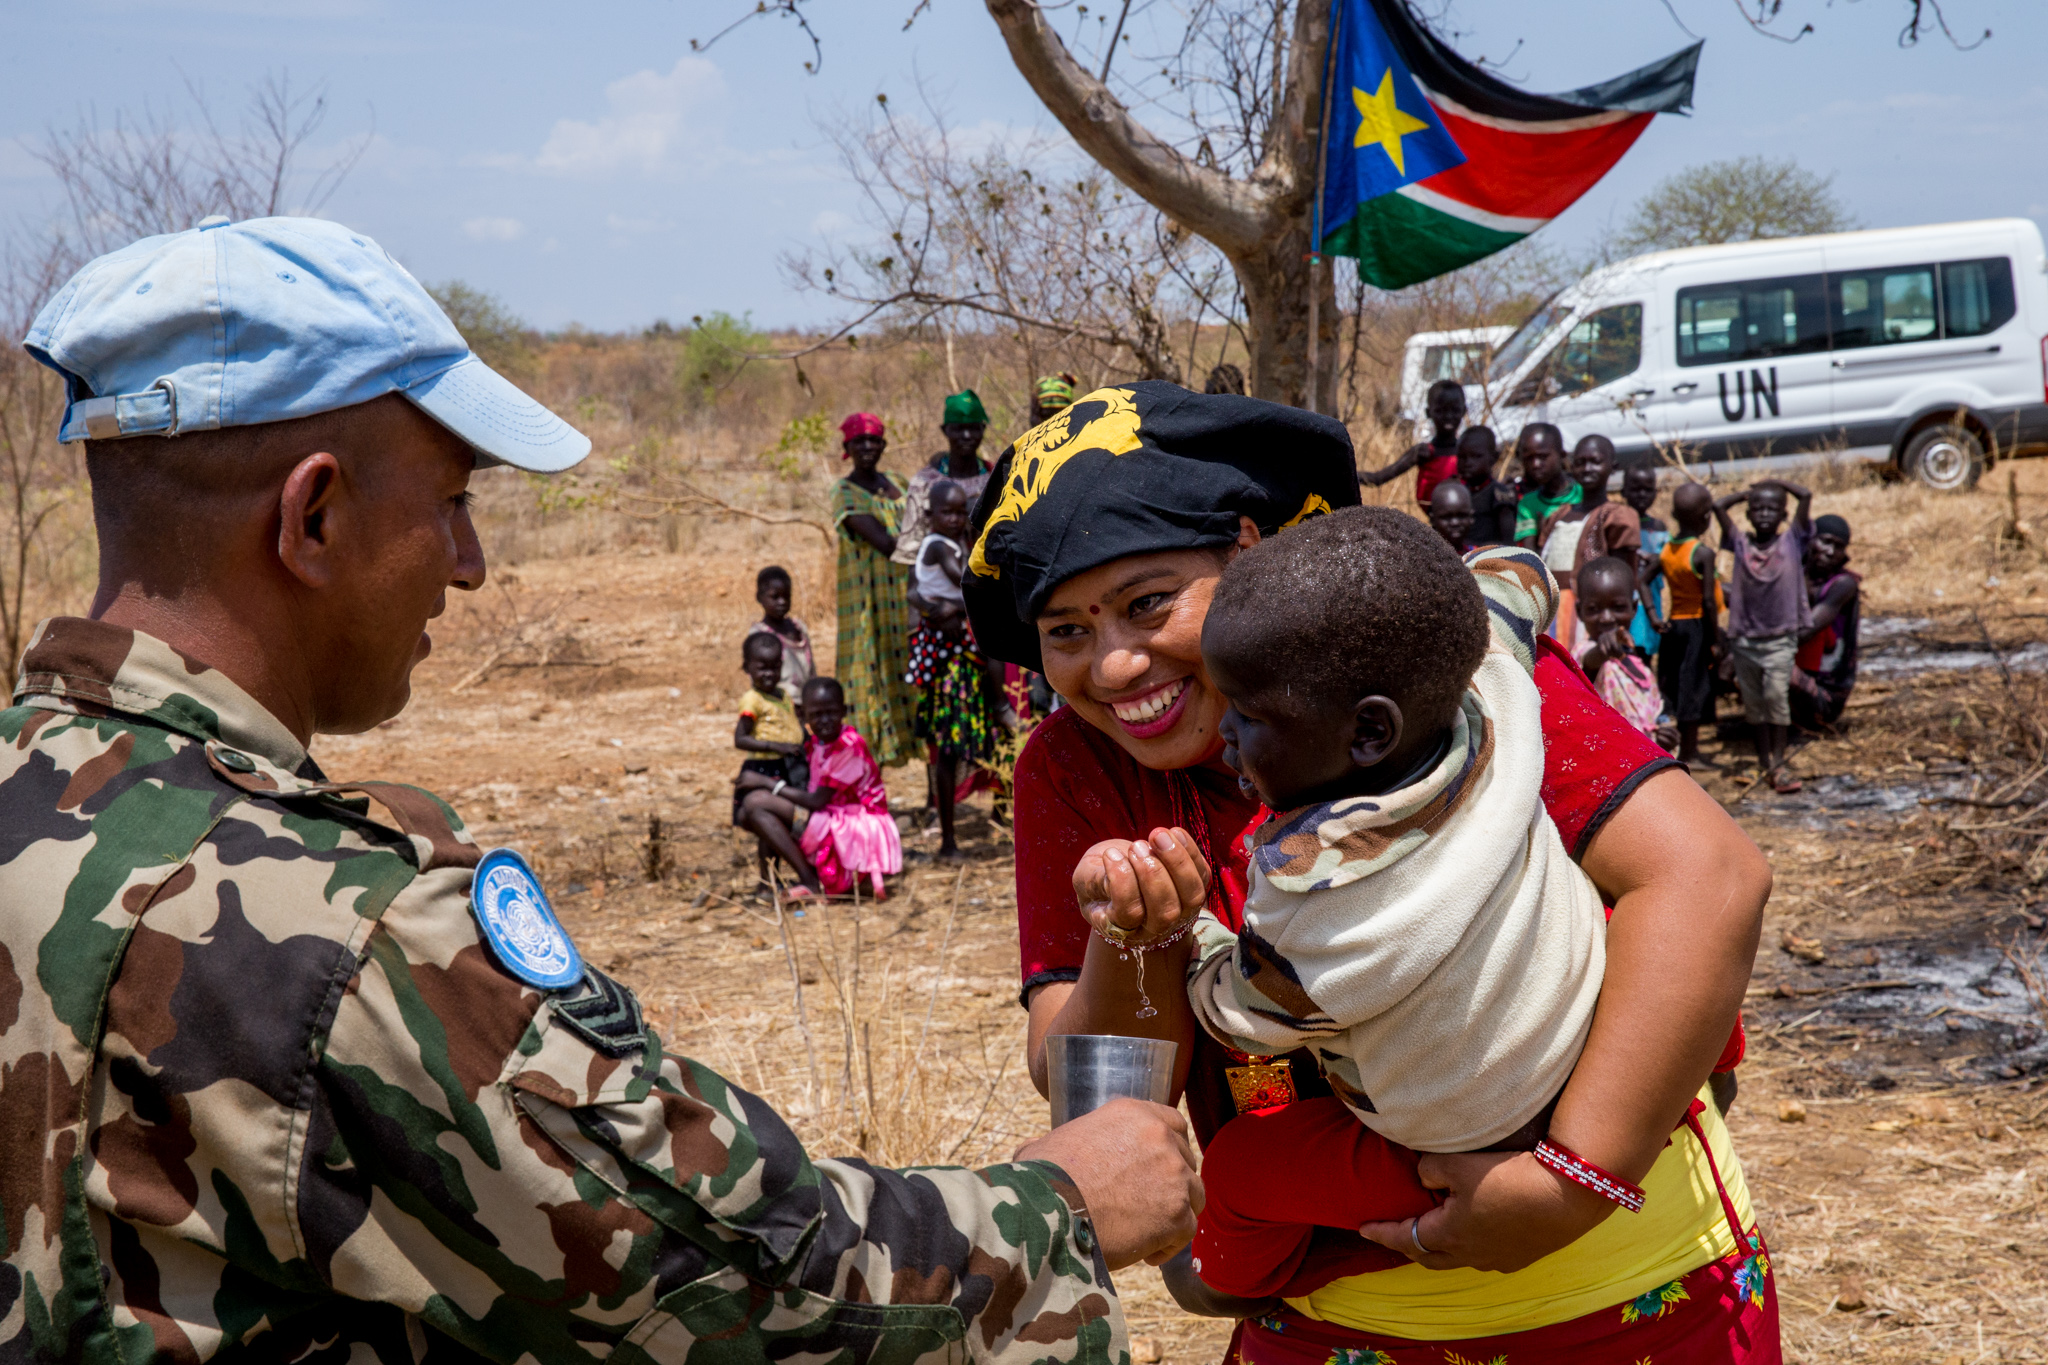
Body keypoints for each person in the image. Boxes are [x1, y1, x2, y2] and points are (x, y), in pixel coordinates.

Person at [1, 216, 1202, 1361]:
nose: (468, 567)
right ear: (313, 514)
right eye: (453, 504)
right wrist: (1062, 1203)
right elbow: (733, 1291)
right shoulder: (333, 929)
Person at [962, 381, 1775, 1364]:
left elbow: (1707, 878)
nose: (1117, 666)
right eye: (1067, 632)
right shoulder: (1076, 770)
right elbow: (1097, 1105)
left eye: (1146, 603)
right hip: (1327, 1329)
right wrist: (1138, 936)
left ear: (1250, 551)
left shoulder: (1403, 660)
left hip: (1627, 1287)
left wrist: (1565, 1188)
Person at [1165, 517, 1607, 1302]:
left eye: (1247, 712)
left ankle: (1224, 1282)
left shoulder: (1317, 897)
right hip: (1593, 1056)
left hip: (1460, 1145)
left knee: (1239, 1166)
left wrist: (1189, 928)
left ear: (1369, 730)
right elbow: (1516, 574)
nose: (1222, 731)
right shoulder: (1495, 679)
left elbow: (1240, 1016)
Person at [907, 480, 1001, 857]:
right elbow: (966, 584)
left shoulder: (952, 544)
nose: (955, 518)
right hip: (948, 659)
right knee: (948, 747)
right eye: (947, 512)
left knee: (962, 744)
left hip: (958, 651)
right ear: (930, 516)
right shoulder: (940, 547)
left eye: (961, 511)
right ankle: (948, 840)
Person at [1713, 477, 1815, 793]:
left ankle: (1779, 761)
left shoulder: (1792, 540)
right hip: (1745, 638)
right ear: (1748, 513)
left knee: (1776, 697)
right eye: (1757, 508)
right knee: (1754, 704)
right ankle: (1763, 761)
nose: (1765, 514)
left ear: (1784, 514)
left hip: (1780, 638)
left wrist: (1774, 483)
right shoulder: (1739, 542)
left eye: (1773, 508)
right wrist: (1747, 493)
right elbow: (1718, 506)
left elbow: (1806, 492)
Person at [832, 412, 918, 767]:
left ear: (883, 445)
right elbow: (886, 543)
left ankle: (931, 798)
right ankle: (866, 788)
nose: (867, 448)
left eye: (874, 440)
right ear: (847, 448)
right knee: (867, 683)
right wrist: (919, 537)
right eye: (859, 442)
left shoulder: (897, 480)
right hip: (869, 606)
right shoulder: (844, 493)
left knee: (916, 685)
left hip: (909, 601)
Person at [779, 675, 908, 898]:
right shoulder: (817, 743)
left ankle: (815, 881)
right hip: (838, 815)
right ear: (803, 715)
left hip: (862, 822)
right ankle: (798, 878)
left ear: (844, 711)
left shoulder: (849, 745)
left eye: (831, 713)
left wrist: (774, 788)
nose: (825, 720)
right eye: (817, 715)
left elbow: (817, 800)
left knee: (762, 804)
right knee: (755, 808)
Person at [1535, 434, 1641, 654]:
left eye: (1595, 461)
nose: (1587, 468)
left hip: (1590, 614)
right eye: (1580, 462)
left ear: (1612, 467)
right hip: (1551, 612)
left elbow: (1625, 574)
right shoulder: (1558, 515)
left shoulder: (1616, 516)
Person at [732, 632, 820, 895]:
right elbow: (741, 738)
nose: (769, 674)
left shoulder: (782, 696)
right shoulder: (752, 700)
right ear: (747, 668)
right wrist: (775, 746)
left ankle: (769, 880)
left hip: (787, 767)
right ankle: (770, 878)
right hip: (763, 769)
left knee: (772, 826)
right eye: (762, 668)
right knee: (763, 823)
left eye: (775, 667)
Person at [1577, 555, 1678, 752]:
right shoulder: (1583, 652)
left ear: (1633, 608)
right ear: (1579, 611)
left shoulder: (1639, 665)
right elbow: (1588, 664)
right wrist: (1602, 649)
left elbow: (1651, 717)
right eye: (1593, 609)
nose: (1606, 618)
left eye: (1618, 608)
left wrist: (1664, 739)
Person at [892, 389, 995, 575]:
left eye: (973, 428)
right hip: (938, 588)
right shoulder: (924, 483)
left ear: (983, 430)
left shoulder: (996, 479)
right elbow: (912, 550)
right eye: (958, 428)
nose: (966, 435)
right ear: (945, 430)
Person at [1658, 482, 1722, 766]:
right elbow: (1708, 600)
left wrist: (1652, 614)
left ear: (1672, 513)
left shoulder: (1667, 549)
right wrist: (1716, 637)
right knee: (1693, 685)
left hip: (1674, 625)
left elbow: (1644, 578)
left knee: (1678, 683)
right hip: (1697, 625)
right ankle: (1690, 752)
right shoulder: (1703, 553)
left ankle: (1685, 749)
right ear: (1707, 518)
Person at [1792, 513, 1862, 730]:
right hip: (1795, 672)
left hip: (1825, 695)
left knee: (1765, 663)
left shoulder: (1843, 586)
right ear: (1810, 540)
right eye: (1825, 542)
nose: (1831, 552)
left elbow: (1805, 631)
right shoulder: (1794, 573)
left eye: (1838, 546)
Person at [1359, 379, 1463, 506]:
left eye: (1455, 410)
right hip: (1435, 522)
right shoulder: (1423, 452)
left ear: (1464, 411)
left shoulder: (1468, 452)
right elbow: (1377, 479)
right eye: (1441, 411)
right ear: (1428, 413)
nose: (1448, 416)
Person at [746, 563, 816, 697]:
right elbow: (758, 678)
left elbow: (811, 670)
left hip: (804, 704)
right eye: (775, 597)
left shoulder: (799, 628)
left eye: (786, 596)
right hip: (778, 704)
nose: (782, 602)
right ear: (759, 597)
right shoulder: (760, 635)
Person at [1622, 466, 1670, 658]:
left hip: (1651, 599)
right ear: (1623, 491)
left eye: (1647, 489)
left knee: (1645, 653)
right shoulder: (1619, 524)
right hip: (1626, 599)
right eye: (1635, 489)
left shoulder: (1658, 528)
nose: (1642, 495)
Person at [1510, 422, 1579, 549]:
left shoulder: (1581, 493)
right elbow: (1529, 556)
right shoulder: (1528, 504)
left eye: (1542, 457)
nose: (1535, 464)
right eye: (1529, 458)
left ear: (1562, 454)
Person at [1455, 426, 1515, 547]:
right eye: (1462, 457)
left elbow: (1508, 541)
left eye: (1476, 456)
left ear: (1493, 458)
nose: (1468, 463)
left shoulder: (1498, 493)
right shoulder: (1457, 493)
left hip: (1490, 558)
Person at [1426, 478, 1475, 552]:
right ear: (1432, 519)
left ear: (1471, 517)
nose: (1455, 523)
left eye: (1461, 516)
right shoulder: (1422, 558)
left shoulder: (1480, 557)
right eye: (1447, 517)